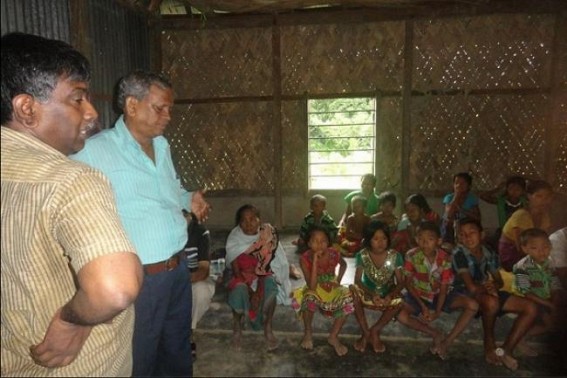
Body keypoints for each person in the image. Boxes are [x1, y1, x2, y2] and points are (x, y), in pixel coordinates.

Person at [1, 32, 143, 376]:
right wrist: (70, 321)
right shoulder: (71, 180)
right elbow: (114, 287)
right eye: (77, 99)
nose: (92, 113)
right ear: (27, 109)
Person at [71, 70, 211, 376]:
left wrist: (189, 199)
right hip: (141, 279)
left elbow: (170, 191)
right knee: (141, 357)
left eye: (169, 109)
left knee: (176, 351)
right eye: (159, 108)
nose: (167, 116)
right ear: (132, 106)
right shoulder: (96, 151)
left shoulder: (162, 146)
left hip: (177, 272)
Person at [452, 218, 538, 371]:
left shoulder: (488, 251)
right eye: (463, 234)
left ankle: (506, 350)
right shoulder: (458, 253)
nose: (467, 237)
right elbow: (471, 287)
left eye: (472, 232)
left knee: (530, 307)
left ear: (482, 234)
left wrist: (493, 286)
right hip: (464, 293)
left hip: (485, 291)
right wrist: (489, 289)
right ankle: (489, 344)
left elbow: (498, 280)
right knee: (492, 302)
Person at [397, 221, 478, 360]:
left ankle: (447, 341)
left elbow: (444, 287)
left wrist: (438, 312)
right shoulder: (411, 255)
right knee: (400, 315)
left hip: (440, 295)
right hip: (419, 294)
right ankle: (435, 334)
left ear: (438, 241)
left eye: (430, 239)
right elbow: (408, 284)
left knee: (473, 305)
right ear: (416, 239)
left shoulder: (445, 258)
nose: (425, 243)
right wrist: (423, 306)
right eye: (421, 238)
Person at [225, 204, 292, 350]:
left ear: (259, 220)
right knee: (238, 288)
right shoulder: (234, 238)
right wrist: (252, 292)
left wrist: (258, 290)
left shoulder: (267, 234)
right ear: (239, 224)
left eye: (252, 219)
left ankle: (268, 326)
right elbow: (237, 273)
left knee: (270, 282)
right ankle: (237, 328)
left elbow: (269, 266)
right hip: (243, 277)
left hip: (262, 273)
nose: (249, 224)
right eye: (244, 221)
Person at [292, 225, 354, 356]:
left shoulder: (334, 253)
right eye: (315, 241)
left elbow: (344, 264)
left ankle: (333, 336)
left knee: (349, 300)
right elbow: (312, 286)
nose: (320, 245)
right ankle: (308, 332)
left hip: (331, 286)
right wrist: (314, 261)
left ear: (328, 242)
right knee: (309, 297)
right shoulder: (304, 259)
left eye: (323, 241)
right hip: (315, 287)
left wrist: (338, 281)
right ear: (309, 243)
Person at [349, 220, 405, 354]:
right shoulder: (362, 255)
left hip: (387, 295)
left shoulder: (395, 256)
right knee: (352, 291)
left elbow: (401, 282)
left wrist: (390, 295)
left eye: (384, 238)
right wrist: (371, 294)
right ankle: (365, 332)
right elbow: (358, 281)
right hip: (368, 294)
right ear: (368, 240)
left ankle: (375, 330)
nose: (380, 242)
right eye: (376, 238)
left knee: (400, 300)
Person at [513, 228, 563, 355]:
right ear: (525, 249)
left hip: (546, 298)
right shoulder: (522, 267)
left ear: (550, 246)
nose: (542, 252)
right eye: (535, 248)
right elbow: (526, 292)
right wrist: (550, 305)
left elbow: (555, 283)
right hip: (529, 301)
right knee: (551, 324)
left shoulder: (549, 262)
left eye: (545, 246)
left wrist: (555, 302)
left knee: (557, 320)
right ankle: (520, 338)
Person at [499, 179, 553, 272]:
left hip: (533, 252)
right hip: (513, 256)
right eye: (539, 196)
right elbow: (520, 248)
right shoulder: (521, 215)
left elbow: (545, 240)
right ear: (529, 196)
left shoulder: (545, 216)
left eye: (547, 197)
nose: (544, 200)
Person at [182, 209, 215, 361]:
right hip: (172, 280)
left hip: (192, 279)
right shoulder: (163, 231)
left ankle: (188, 332)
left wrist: (179, 282)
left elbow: (203, 271)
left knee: (202, 291)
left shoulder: (200, 232)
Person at [480, 175, 527, 251]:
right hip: (503, 231)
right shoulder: (501, 201)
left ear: (522, 191)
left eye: (517, 189)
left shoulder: (525, 202)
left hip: (522, 232)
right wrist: (497, 188)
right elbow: (483, 196)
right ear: (507, 189)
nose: (514, 192)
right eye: (511, 188)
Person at [440, 172, 481, 248]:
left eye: (462, 183)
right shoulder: (449, 198)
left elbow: (477, 217)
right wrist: (457, 196)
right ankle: (448, 245)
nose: (459, 185)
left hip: (465, 225)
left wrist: (461, 210)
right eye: (456, 183)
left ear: (469, 186)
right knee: (447, 222)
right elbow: (449, 215)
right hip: (450, 226)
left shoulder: (471, 198)